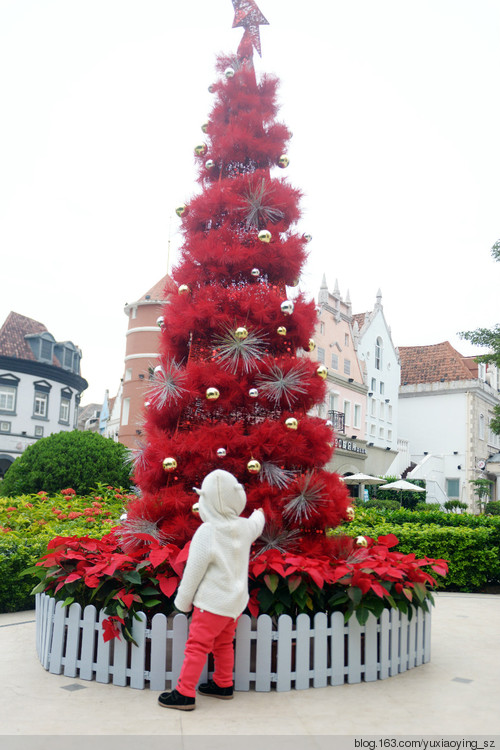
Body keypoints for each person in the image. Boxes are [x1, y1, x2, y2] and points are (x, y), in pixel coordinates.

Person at [158, 468, 265, 711]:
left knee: (197, 646)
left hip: (212, 603)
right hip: (235, 604)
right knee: (224, 644)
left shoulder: (208, 531)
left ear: (205, 501)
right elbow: (257, 524)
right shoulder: (244, 526)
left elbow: (193, 571)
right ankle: (223, 684)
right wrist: (260, 513)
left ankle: (184, 693)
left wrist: (182, 603)